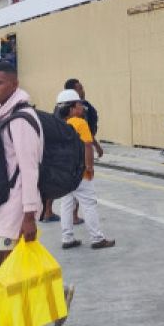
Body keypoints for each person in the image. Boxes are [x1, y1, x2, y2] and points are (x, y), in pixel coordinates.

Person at [0, 63, 71, 326]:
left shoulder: (21, 121)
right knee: (8, 266)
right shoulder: (7, 115)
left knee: (1, 270)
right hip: (4, 204)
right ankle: (56, 296)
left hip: (16, 207)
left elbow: (30, 170)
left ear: (14, 84)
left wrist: (30, 215)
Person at [56, 88, 115, 251]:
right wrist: (89, 167)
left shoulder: (59, 124)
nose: (82, 107)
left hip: (65, 171)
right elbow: (87, 146)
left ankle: (67, 238)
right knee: (89, 203)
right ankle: (97, 238)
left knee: (66, 203)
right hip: (80, 170)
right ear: (72, 108)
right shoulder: (80, 123)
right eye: (80, 104)